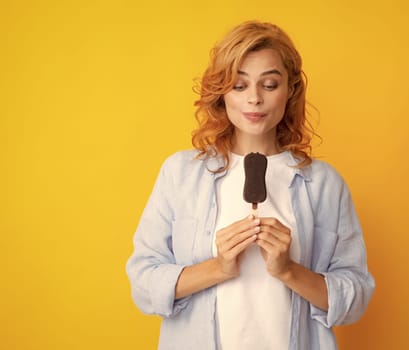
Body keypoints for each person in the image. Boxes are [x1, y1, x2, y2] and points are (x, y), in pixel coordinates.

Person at [126, 20, 375, 350]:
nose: (254, 99)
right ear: (222, 92)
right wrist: (219, 267)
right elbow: (143, 285)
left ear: (290, 91)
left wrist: (288, 270)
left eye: (269, 85)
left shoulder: (325, 184)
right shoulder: (180, 174)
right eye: (239, 85)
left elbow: (355, 297)